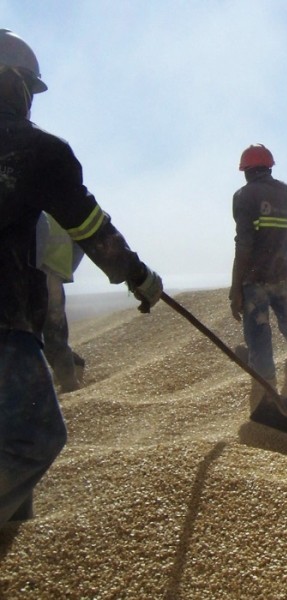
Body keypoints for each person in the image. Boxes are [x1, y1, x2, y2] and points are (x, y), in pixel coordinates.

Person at [0, 29, 163, 525]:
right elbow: (88, 226)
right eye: (29, 85)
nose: (30, 97)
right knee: (35, 437)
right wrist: (137, 274)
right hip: (4, 323)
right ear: (12, 81)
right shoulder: (36, 149)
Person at [229, 144, 287, 401]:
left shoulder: (244, 196)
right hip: (281, 273)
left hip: (255, 277)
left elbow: (244, 243)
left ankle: (266, 389)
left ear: (246, 170)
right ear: (268, 167)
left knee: (258, 331)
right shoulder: (286, 193)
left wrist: (236, 288)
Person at [37, 213, 86, 392]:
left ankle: (68, 383)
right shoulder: (57, 206)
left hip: (33, 274)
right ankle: (70, 376)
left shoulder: (29, 203)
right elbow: (82, 241)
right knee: (54, 333)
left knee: (31, 332)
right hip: (53, 276)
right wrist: (66, 271)